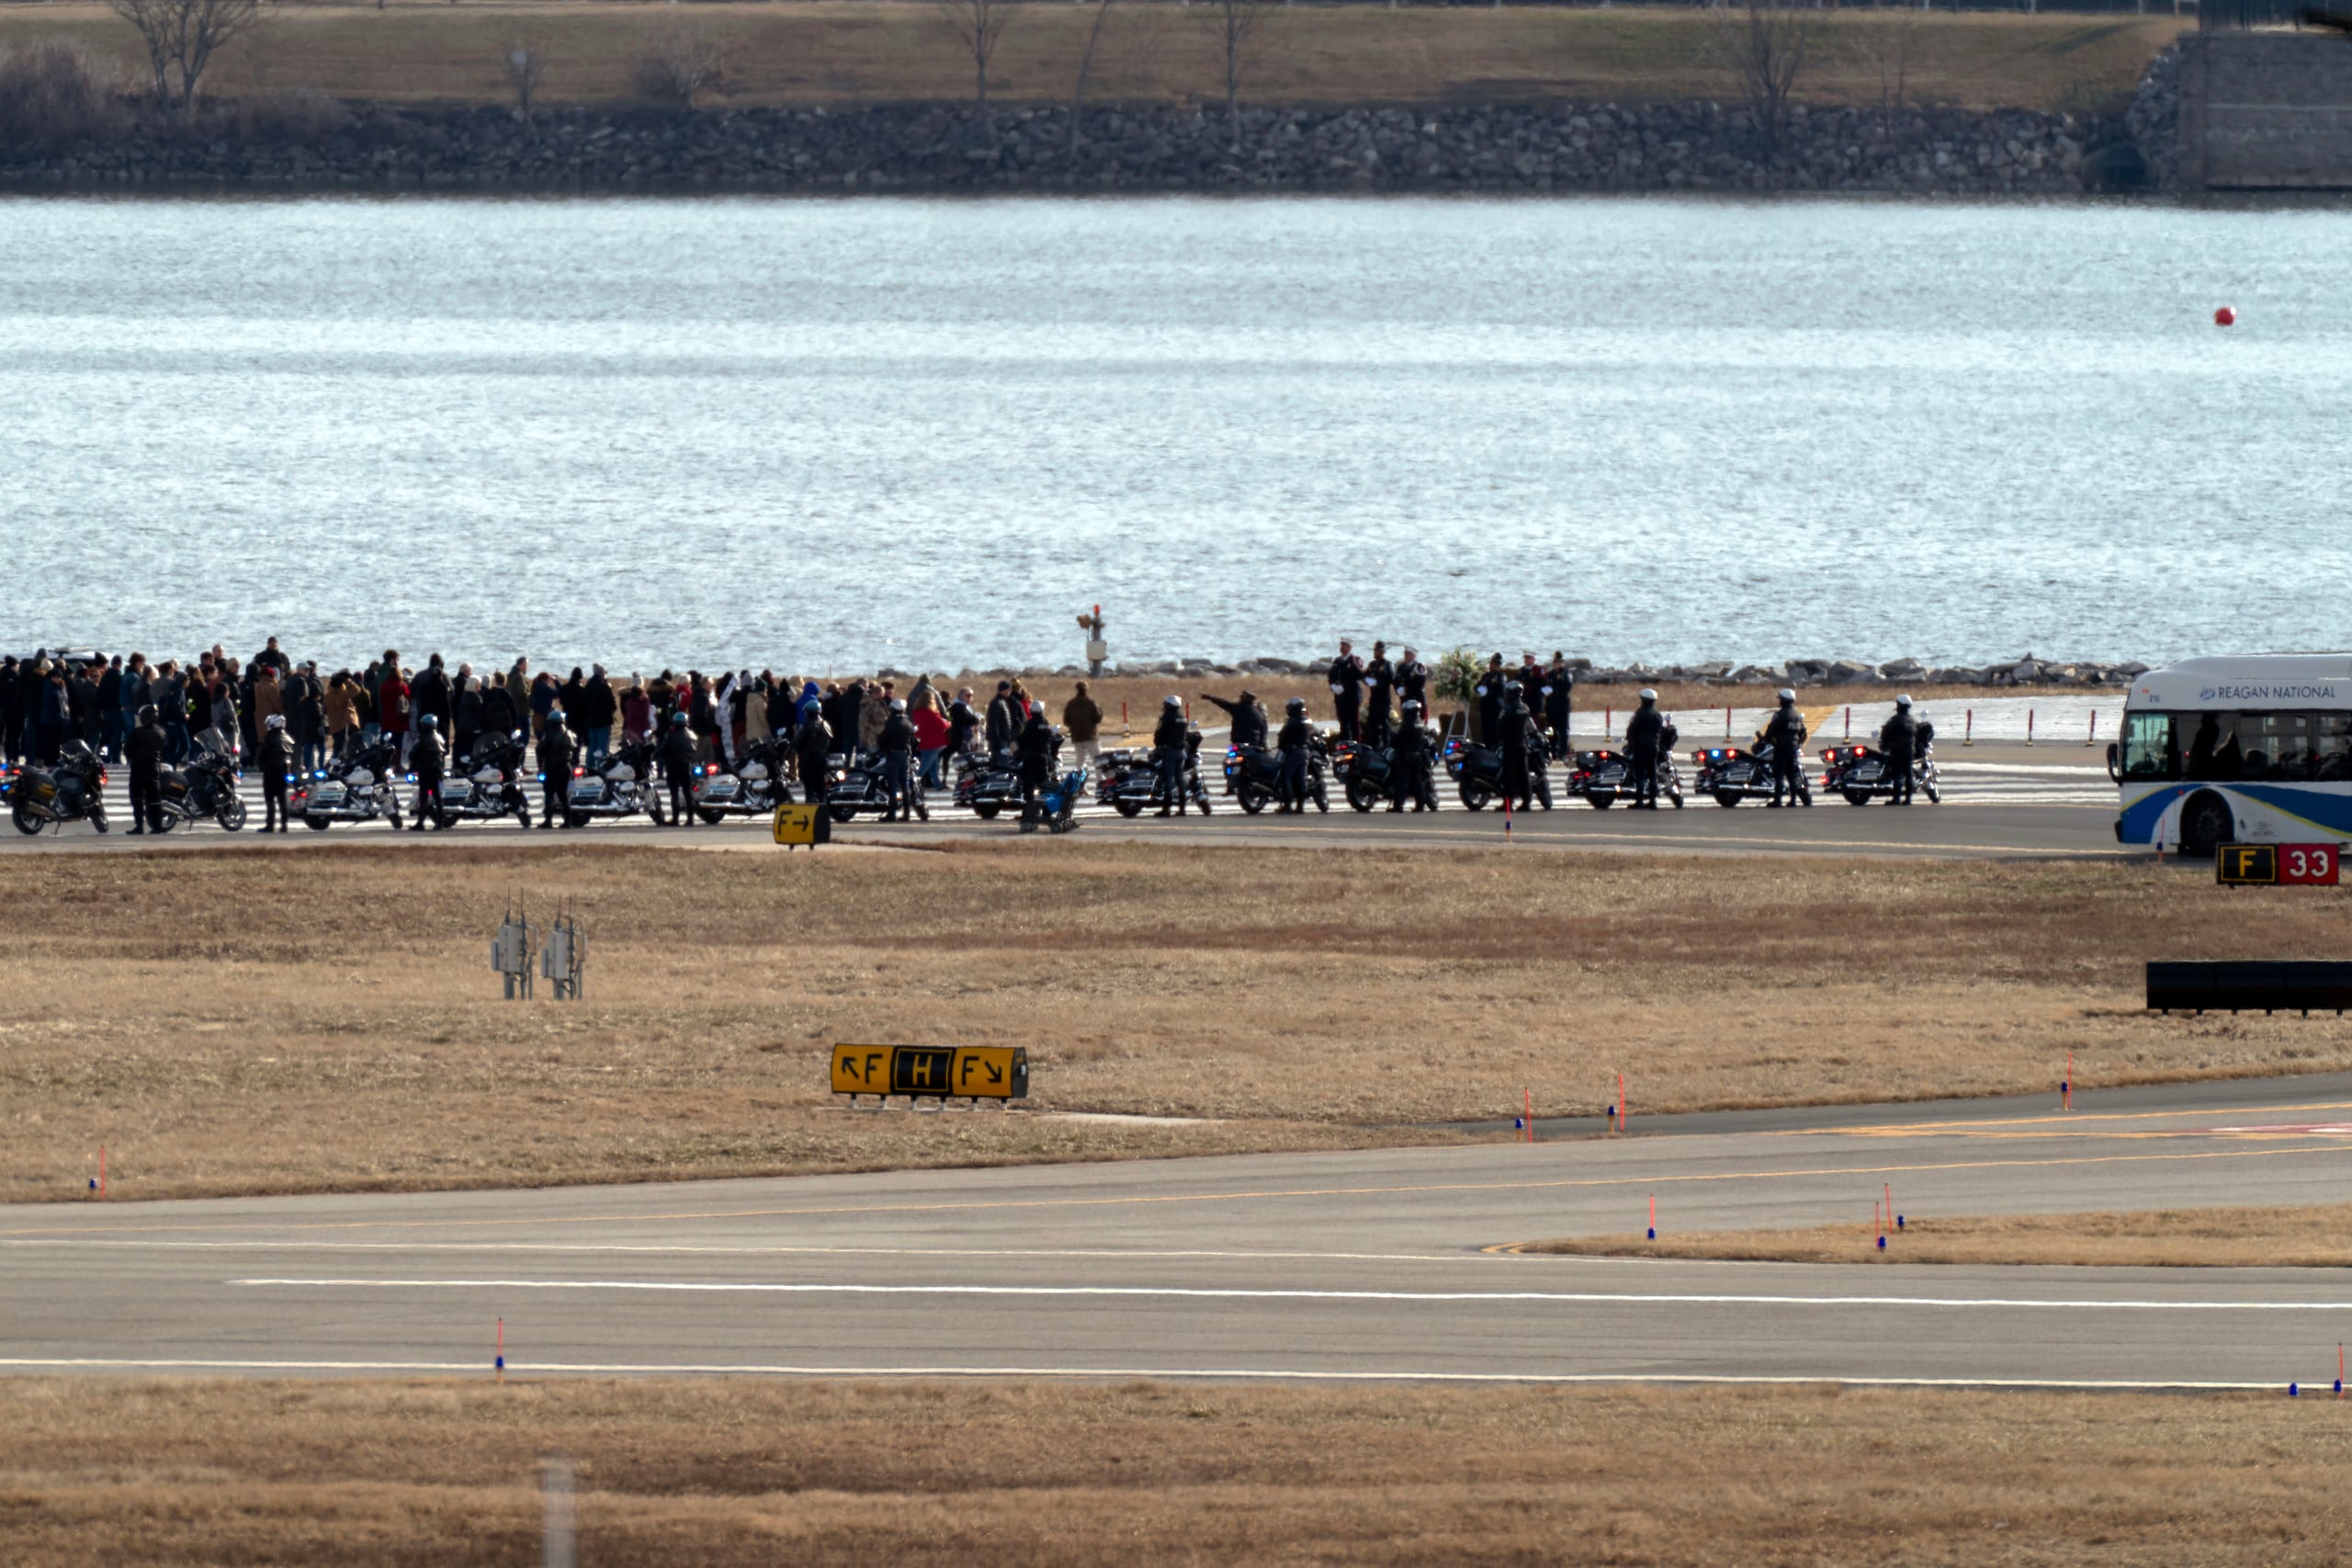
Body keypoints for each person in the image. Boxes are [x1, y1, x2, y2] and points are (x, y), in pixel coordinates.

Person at [1761, 688, 1809, 807]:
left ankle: (1778, 801)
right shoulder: (1798, 715)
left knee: (1779, 775)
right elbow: (1803, 732)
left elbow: (1770, 730)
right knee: (1791, 775)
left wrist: (1765, 739)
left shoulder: (1780, 715)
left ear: (1783, 700)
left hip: (1781, 748)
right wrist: (1799, 744)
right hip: (1793, 748)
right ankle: (1793, 801)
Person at [1498, 691, 1544, 811]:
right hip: (1523, 744)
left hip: (1510, 744)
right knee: (1524, 774)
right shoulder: (1525, 708)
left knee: (1509, 774)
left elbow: (1500, 725)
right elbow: (1532, 727)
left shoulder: (1508, 709)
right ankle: (1526, 802)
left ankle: (1508, 802)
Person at [125, 704, 167, 834]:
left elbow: (127, 749)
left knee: (136, 798)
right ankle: (157, 826)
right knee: (154, 799)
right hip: (154, 768)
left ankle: (139, 825)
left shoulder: (137, 733)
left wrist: (131, 758)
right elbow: (164, 748)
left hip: (138, 768)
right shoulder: (160, 732)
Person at [1388, 699, 1437, 813]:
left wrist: (1392, 740)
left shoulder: (1407, 723)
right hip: (1417, 756)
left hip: (1405, 755)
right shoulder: (1420, 722)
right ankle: (1420, 805)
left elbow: (1397, 739)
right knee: (1416, 781)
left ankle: (1398, 806)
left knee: (1403, 781)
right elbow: (1425, 737)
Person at [1015, 706, 1059, 829]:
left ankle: (1029, 816)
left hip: (1030, 759)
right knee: (1045, 786)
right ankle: (1047, 813)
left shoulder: (1028, 724)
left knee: (1029, 788)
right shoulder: (1046, 723)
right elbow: (1050, 738)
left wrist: (1021, 751)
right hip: (1043, 759)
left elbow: (1021, 739)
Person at [1623, 688, 1666, 809]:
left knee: (1640, 774)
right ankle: (1653, 801)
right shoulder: (1657, 714)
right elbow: (1660, 731)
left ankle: (1639, 801)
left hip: (1640, 746)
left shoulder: (1640, 713)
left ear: (1642, 699)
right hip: (1654, 747)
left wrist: (1631, 741)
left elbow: (1632, 729)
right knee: (1652, 774)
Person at [877, 698, 920, 821]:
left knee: (893, 786)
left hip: (893, 756)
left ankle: (892, 813)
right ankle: (906, 813)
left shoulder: (891, 724)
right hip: (905, 756)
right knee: (904, 785)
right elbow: (912, 740)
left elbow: (883, 740)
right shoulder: (908, 723)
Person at [257, 712, 298, 833]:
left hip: (270, 772)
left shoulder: (270, 738)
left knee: (270, 800)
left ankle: (270, 825)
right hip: (284, 771)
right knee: (282, 799)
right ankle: (284, 824)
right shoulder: (288, 739)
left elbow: (260, 754)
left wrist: (262, 766)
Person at [537, 705, 575, 828]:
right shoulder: (569, 734)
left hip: (552, 767)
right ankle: (568, 821)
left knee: (549, 794)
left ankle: (548, 821)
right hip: (565, 767)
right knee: (563, 795)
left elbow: (540, 749)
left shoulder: (548, 733)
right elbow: (575, 748)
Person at [409, 712, 448, 829]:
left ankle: (420, 823)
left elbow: (413, 753)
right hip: (437, 771)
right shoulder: (440, 738)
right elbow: (445, 752)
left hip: (425, 771)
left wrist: (413, 766)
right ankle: (440, 823)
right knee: (437, 797)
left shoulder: (423, 738)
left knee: (424, 797)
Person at [1275, 696, 1315, 813]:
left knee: (1286, 778)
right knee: (1300, 778)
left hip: (1293, 752)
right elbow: (1313, 733)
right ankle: (1300, 805)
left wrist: (1282, 746)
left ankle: (1288, 805)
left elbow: (1282, 735)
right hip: (1304, 751)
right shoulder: (1306, 719)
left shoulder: (1292, 721)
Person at [657, 711, 697, 826]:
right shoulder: (692, 736)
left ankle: (676, 819)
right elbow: (695, 751)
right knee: (688, 793)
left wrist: (665, 758)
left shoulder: (670, 735)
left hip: (673, 767)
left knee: (674, 794)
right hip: (686, 768)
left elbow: (660, 751)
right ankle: (690, 819)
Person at [1151, 694, 1189, 817]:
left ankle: (1166, 809)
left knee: (1167, 780)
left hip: (1169, 752)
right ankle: (1182, 809)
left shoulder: (1166, 717)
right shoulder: (1182, 717)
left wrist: (1158, 744)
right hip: (1180, 752)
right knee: (1180, 780)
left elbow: (1159, 733)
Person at [1881, 694, 1919, 806]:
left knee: (1897, 773)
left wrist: (1885, 743)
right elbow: (1917, 733)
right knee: (1908, 773)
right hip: (1909, 749)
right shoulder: (1912, 720)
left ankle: (1896, 798)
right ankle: (1908, 799)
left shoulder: (1895, 719)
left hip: (1897, 749)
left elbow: (1886, 733)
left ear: (1899, 705)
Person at [1199, 689, 1268, 750]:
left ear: (1247, 699)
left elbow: (1224, 703)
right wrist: (1262, 743)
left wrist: (1210, 697)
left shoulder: (1239, 708)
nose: (1240, 699)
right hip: (1254, 743)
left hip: (1239, 742)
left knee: (1230, 757)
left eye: (1242, 697)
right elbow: (1264, 730)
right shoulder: (1259, 713)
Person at [377, 651, 412, 768]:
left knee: (386, 741)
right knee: (398, 743)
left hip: (386, 717)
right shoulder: (402, 686)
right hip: (399, 718)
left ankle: (385, 763)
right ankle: (397, 764)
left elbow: (381, 699)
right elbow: (408, 699)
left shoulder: (383, 686)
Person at [794, 705, 835, 807]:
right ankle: (822, 805)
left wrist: (793, 748)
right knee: (820, 784)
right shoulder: (825, 724)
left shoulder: (806, 724)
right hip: (822, 757)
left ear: (808, 712)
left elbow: (797, 740)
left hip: (808, 759)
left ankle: (810, 806)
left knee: (808, 785)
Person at [1063, 682, 1104, 773]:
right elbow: (1098, 718)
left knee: (1079, 762)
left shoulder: (1071, 704)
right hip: (1090, 736)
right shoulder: (1091, 703)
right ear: (1086, 690)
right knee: (1098, 761)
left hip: (1077, 737)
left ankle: (1080, 786)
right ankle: (1100, 783)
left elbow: (1066, 721)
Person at [1329, 639, 1365, 742]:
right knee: (1343, 722)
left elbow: (1359, 675)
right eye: (1341, 645)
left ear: (1349, 647)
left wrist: (1345, 686)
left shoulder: (1355, 660)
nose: (1342, 647)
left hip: (1352, 696)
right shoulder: (1337, 661)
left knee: (1354, 722)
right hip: (1340, 696)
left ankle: (1356, 743)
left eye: (1344, 645)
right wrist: (1333, 686)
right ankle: (1344, 743)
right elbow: (1331, 675)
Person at [912, 694, 950, 789]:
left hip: (925, 741)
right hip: (935, 742)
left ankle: (938, 784)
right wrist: (948, 723)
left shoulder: (917, 713)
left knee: (933, 765)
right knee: (925, 765)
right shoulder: (931, 713)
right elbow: (941, 725)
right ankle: (912, 783)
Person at [1361, 642, 1394, 749]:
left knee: (1384, 723)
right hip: (1374, 698)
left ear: (1382, 652)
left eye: (1377, 651)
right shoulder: (1372, 665)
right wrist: (1367, 681)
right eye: (1374, 650)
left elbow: (1391, 679)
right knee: (1373, 723)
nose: (1375, 653)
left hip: (1384, 698)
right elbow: (1364, 676)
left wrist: (1378, 683)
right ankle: (1375, 745)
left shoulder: (1387, 664)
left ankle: (1386, 746)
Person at [1544, 653, 1576, 761]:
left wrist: (1555, 690)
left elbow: (1567, 687)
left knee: (1563, 730)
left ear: (1562, 663)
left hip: (1562, 705)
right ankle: (1551, 750)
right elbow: (1545, 685)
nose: (1557, 664)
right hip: (1551, 706)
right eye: (1555, 662)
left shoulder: (1566, 674)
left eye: (1559, 662)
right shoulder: (1550, 674)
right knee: (1550, 730)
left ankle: (1563, 752)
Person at [1474, 654, 1509, 746]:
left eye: (1493, 663)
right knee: (1486, 731)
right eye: (1491, 663)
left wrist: (1489, 691)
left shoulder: (1501, 676)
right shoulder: (1486, 676)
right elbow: (1476, 686)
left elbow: (1501, 689)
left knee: (1495, 731)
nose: (1491, 665)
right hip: (1486, 706)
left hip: (1495, 706)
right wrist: (1482, 690)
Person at [985, 681, 1021, 756]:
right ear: (1004, 690)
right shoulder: (996, 702)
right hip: (1000, 739)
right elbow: (993, 722)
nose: (1010, 691)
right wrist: (996, 739)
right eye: (1009, 689)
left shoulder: (1002, 701)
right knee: (1000, 758)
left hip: (1004, 737)